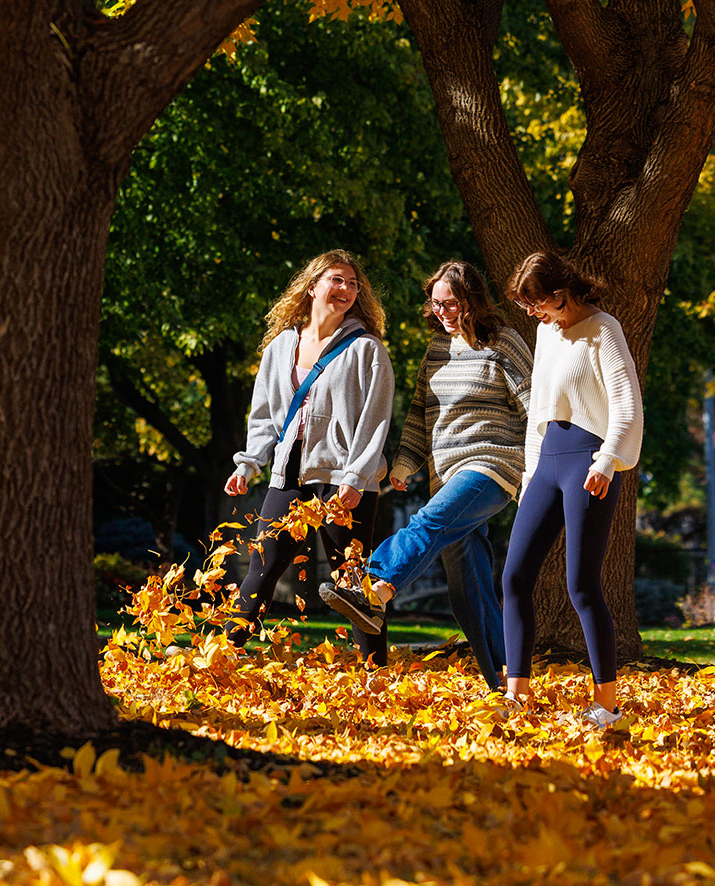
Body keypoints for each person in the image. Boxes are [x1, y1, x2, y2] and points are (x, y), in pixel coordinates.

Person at [317, 261, 530, 691]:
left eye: (451, 304)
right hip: (445, 472)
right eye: (436, 305)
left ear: (472, 300)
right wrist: (403, 463)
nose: (444, 313)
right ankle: (508, 686)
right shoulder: (437, 349)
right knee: (468, 589)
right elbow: (419, 411)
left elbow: (535, 408)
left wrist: (535, 474)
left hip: (493, 464)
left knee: (426, 524)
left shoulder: (504, 342)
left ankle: (373, 587)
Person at [222, 250, 394, 663]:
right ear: (313, 285)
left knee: (351, 580)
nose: (347, 289)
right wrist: (248, 463)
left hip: (343, 477)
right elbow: (265, 414)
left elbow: (375, 419)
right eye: (337, 280)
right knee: (261, 565)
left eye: (354, 284)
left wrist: (355, 478)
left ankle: (376, 672)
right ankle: (222, 655)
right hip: (289, 473)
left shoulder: (367, 350)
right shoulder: (282, 346)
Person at [499, 250, 642, 728]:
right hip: (547, 461)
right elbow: (540, 407)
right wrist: (529, 475)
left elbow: (627, 407)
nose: (534, 313)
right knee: (514, 576)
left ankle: (607, 705)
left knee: (581, 585)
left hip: (588, 464)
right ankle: (516, 697)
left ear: (560, 294)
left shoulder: (604, 329)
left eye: (537, 303)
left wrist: (606, 463)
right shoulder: (546, 333)